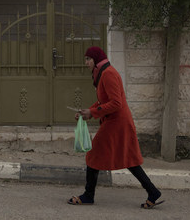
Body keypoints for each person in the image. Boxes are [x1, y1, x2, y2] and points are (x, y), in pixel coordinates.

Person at [67, 46, 164, 209]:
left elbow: (116, 103)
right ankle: (153, 192)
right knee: (129, 159)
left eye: (88, 59)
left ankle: (88, 196)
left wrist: (92, 112)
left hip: (116, 122)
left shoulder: (108, 74)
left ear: (96, 60)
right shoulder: (103, 73)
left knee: (94, 153)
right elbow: (103, 101)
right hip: (116, 120)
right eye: (85, 59)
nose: (86, 63)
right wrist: (88, 112)